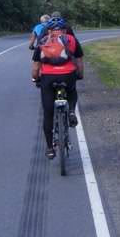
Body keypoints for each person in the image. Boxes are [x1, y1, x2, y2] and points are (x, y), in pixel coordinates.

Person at [31, 16, 84, 159]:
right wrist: (80, 75)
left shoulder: (42, 41)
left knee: (48, 114)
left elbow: (36, 66)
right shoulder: (72, 39)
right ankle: (72, 111)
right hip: (68, 75)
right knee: (72, 91)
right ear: (64, 29)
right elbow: (79, 61)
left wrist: (36, 78)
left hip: (48, 78)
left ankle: (49, 148)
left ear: (48, 30)